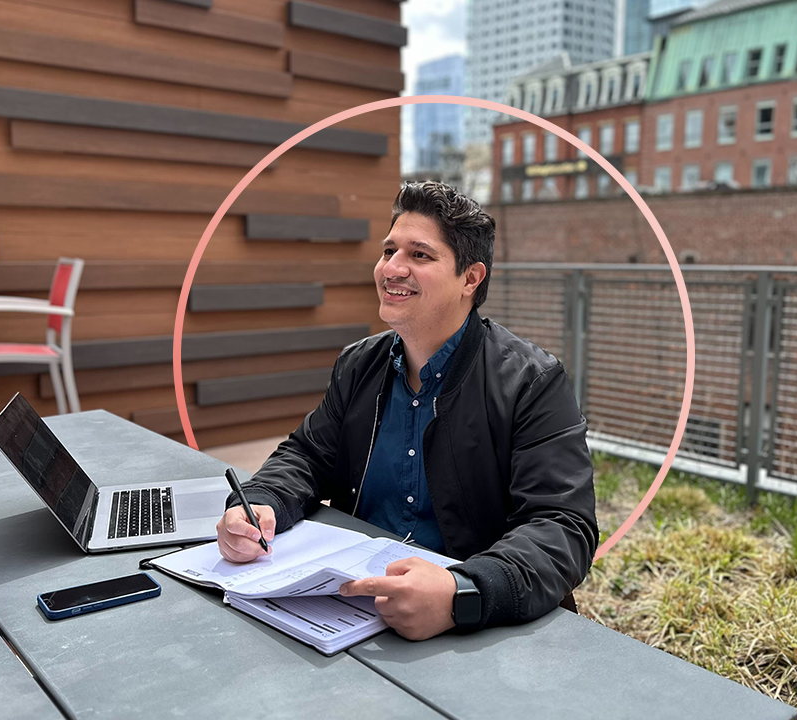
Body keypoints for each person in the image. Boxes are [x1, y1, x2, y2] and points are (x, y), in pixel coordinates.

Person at [217, 181, 597, 641]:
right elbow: (308, 455)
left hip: (471, 631)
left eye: (419, 255)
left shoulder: (531, 381)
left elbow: (562, 527)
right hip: (349, 608)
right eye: (388, 250)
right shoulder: (359, 365)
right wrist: (259, 502)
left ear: (470, 279)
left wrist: (463, 592)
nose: (391, 268)